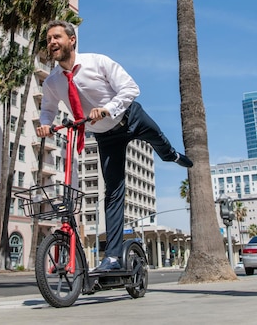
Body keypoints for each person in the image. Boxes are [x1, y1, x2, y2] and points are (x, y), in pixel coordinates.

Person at [36, 20, 193, 271]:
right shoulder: (52, 82)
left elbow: (131, 88)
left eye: (57, 37)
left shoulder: (98, 62)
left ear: (72, 40)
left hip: (130, 118)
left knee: (159, 140)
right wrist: (45, 124)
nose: (52, 42)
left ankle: (172, 155)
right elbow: (48, 110)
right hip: (105, 136)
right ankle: (112, 257)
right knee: (113, 192)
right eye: (48, 39)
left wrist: (108, 109)